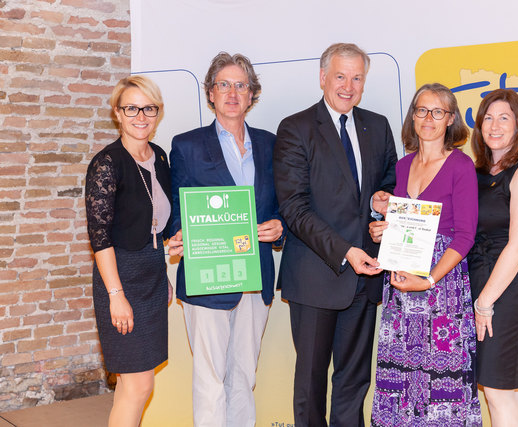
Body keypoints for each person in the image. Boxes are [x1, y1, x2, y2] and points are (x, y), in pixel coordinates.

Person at [273, 42, 398, 426]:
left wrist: (384, 204)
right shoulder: (295, 128)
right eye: (340, 76)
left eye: (356, 77)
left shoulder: (377, 126)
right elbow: (295, 208)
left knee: (354, 380)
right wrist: (345, 251)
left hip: (365, 278)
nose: (348, 85)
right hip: (315, 276)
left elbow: (390, 182)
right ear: (323, 77)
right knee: (311, 383)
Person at [166, 52, 284, 427]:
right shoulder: (186, 145)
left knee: (243, 378)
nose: (232, 93)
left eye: (241, 85)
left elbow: (282, 204)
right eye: (224, 85)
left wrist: (279, 226)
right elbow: (175, 207)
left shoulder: (270, 144)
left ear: (252, 95)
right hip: (208, 277)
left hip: (255, 278)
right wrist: (177, 233)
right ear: (211, 94)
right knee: (210, 380)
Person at [368, 83, 482, 425]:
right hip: (401, 288)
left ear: (450, 119)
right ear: (412, 116)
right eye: (421, 110)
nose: (428, 118)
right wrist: (381, 227)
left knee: (441, 384)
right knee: (400, 375)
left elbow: (465, 236)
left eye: (438, 111)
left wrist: (429, 280)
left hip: (441, 288)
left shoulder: (461, 166)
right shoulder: (402, 167)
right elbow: (402, 223)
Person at [85, 75, 172, 427]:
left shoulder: (160, 157)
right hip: (119, 278)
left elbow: (153, 225)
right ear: (117, 113)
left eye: (148, 108)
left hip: (151, 275)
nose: (141, 116)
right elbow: (100, 236)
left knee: (132, 386)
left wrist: (163, 271)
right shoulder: (107, 163)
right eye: (131, 108)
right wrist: (116, 296)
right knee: (139, 384)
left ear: (157, 112)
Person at [468, 89, 518, 427]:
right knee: (498, 390)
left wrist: (485, 302)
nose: (494, 125)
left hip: (507, 293)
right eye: (488, 117)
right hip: (477, 287)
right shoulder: (477, 173)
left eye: (504, 117)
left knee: (501, 389)